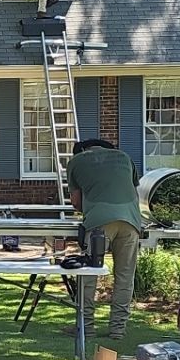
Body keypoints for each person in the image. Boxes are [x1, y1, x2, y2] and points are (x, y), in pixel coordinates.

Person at [64, 137, 145, 341]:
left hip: (98, 223)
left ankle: (86, 327)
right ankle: (118, 329)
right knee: (124, 277)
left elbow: (76, 202)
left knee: (89, 275)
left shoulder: (76, 162)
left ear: (81, 150)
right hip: (131, 222)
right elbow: (134, 192)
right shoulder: (125, 158)